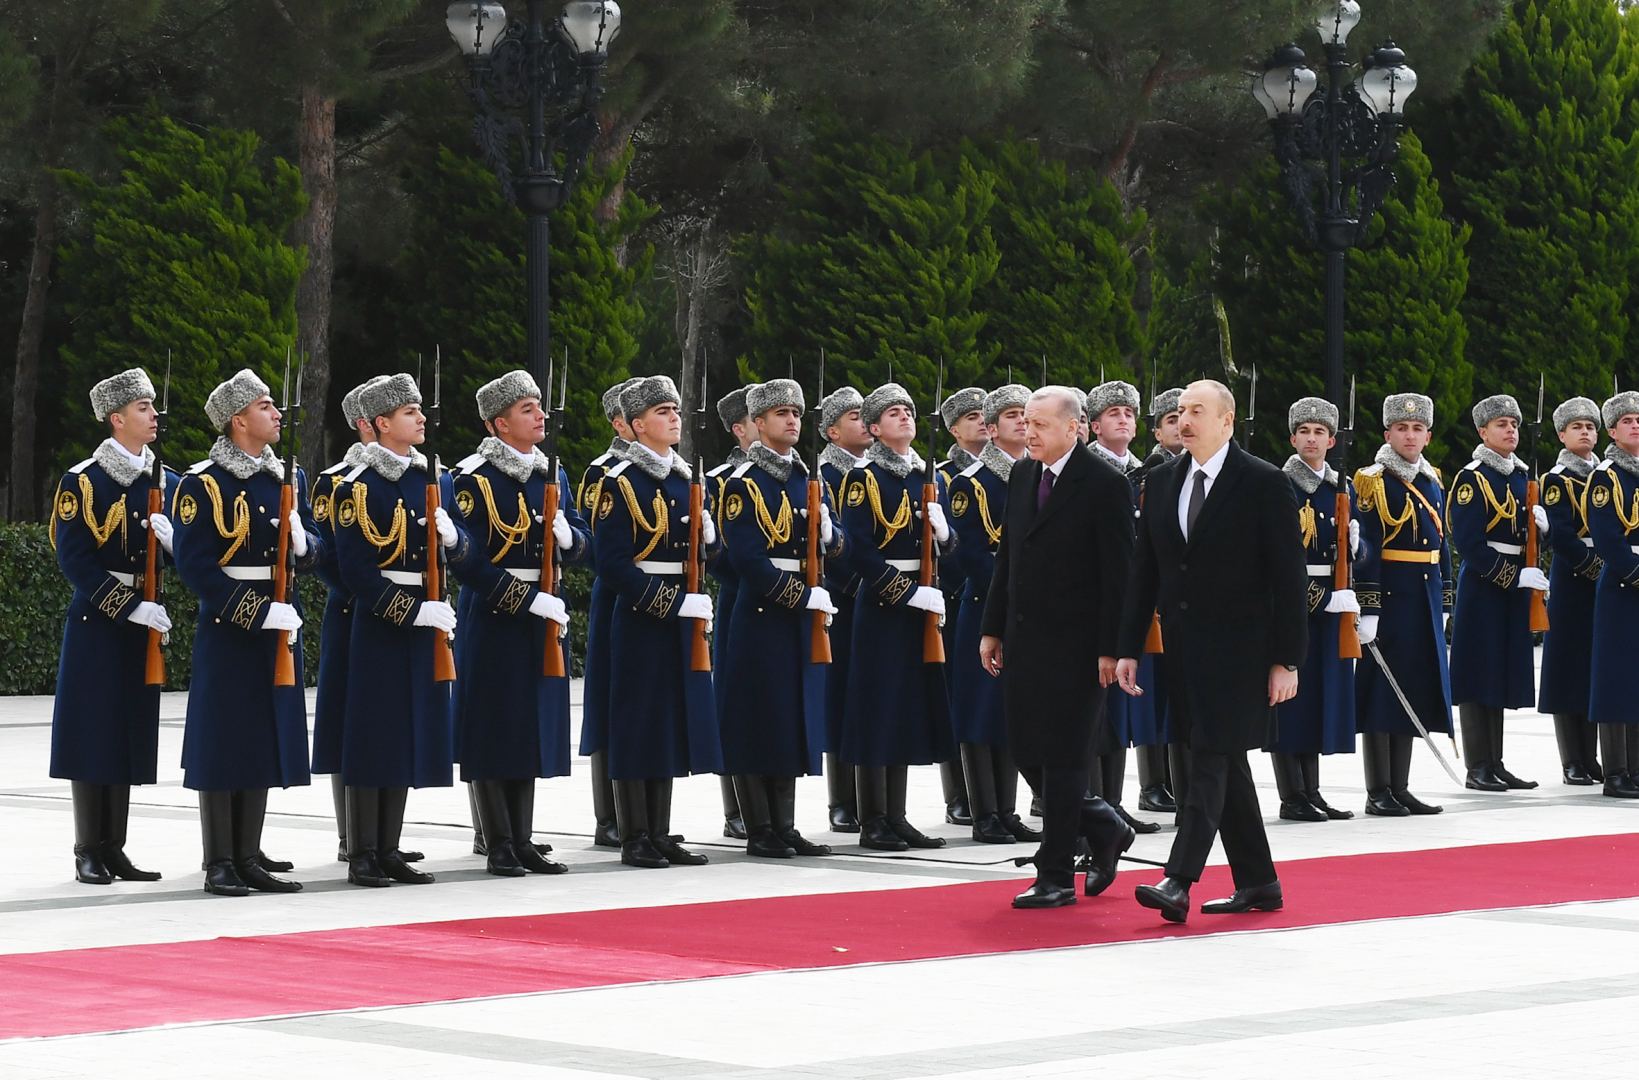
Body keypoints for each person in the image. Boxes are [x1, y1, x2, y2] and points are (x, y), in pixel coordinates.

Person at [1117, 380, 1307, 924]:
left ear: (1227, 421)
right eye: (1180, 412)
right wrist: (1129, 645)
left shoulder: (1263, 482)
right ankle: (1259, 882)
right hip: (1184, 651)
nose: (1185, 420)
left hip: (1244, 653)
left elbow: (1287, 579)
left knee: (1206, 761)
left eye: (1198, 411)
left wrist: (1287, 659)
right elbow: (1146, 572)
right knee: (1224, 763)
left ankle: (1179, 879)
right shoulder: (1162, 479)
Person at [979, 386, 1135, 908]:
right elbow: (1009, 558)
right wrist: (992, 627)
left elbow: (1119, 577)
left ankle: (1056, 876)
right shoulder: (1024, 474)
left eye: (1041, 424)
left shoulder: (1105, 483)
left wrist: (1113, 648)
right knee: (1026, 749)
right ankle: (1103, 823)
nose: (1030, 433)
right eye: (1026, 423)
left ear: (1075, 428)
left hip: (1080, 645)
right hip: (1026, 639)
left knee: (1066, 760)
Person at [171, 368, 317, 896]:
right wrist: (255, 612)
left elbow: (315, 547)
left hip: (279, 621)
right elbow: (196, 567)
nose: (277, 414)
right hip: (231, 627)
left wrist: (305, 545)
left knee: (263, 736)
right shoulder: (203, 483)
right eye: (265, 406)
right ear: (239, 420)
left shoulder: (288, 478)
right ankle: (219, 860)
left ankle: (250, 854)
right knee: (222, 739)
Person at [445, 370, 591, 875]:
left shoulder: (553, 473)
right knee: (492, 725)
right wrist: (522, 598)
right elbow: (467, 560)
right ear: (499, 423)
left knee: (528, 723)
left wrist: (569, 539)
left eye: (539, 407)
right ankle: (498, 840)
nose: (541, 416)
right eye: (528, 409)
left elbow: (581, 540)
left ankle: (523, 837)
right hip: (494, 612)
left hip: (543, 611)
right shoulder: (472, 478)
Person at [330, 373, 471, 887]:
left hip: (425, 618)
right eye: (409, 412)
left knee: (408, 731)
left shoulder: (434, 478)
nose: (421, 418)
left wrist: (456, 543)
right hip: (383, 623)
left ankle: (389, 847)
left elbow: (461, 548)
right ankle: (363, 850)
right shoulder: (356, 487)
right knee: (374, 735)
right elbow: (356, 572)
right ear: (382, 424)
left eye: (419, 410)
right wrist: (409, 610)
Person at [49, 368, 177, 885]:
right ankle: (87, 847)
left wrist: (174, 548)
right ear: (116, 418)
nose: (153, 416)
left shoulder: (161, 479)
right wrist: (128, 606)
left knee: (127, 730)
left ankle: (115, 846)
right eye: (143, 408)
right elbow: (75, 560)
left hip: (142, 617)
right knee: (92, 731)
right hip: (98, 621)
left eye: (152, 407)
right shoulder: (83, 480)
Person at [593, 375, 723, 868]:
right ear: (638, 424)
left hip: (679, 614)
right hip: (642, 616)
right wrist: (670, 604)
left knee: (668, 721)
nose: (674, 417)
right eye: (662, 411)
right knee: (637, 723)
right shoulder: (620, 481)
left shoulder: (686, 478)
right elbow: (613, 564)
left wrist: (710, 542)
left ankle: (661, 831)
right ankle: (634, 835)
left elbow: (697, 553)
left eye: (675, 409)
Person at [717, 378, 847, 858]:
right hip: (762, 613)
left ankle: (785, 824)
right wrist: (800, 596)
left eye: (796, 412)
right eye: (780, 414)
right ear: (758, 423)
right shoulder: (742, 483)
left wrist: (832, 539)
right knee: (759, 718)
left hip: (801, 611)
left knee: (793, 715)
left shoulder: (805, 478)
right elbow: (748, 559)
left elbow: (837, 545)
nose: (792, 420)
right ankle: (760, 827)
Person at [838, 383, 957, 851]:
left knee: (905, 709)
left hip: (922, 600)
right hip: (885, 606)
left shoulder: (929, 478)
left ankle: (897, 815)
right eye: (893, 411)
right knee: (878, 711)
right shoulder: (862, 478)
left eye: (908, 409)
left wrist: (945, 537)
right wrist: (908, 593)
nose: (905, 416)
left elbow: (952, 550)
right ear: (872, 428)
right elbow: (859, 553)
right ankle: (873, 819)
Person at [948, 384, 1040, 845]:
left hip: (1026, 611)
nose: (1022, 422)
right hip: (986, 606)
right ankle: (984, 810)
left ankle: (1008, 809)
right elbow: (971, 555)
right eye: (1010, 415)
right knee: (980, 711)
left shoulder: (1037, 475)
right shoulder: (971, 483)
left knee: (1011, 713)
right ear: (990, 427)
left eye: (1026, 414)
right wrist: (1013, 596)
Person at [1352, 393, 1452, 816]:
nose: (1409, 436)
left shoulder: (1432, 480)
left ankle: (1401, 785)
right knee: (1382, 693)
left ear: (1428, 436)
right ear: (1387, 433)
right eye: (1401, 428)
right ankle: (1379, 790)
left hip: (1422, 597)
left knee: (1410, 687)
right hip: (1391, 598)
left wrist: (1446, 597)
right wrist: (1369, 606)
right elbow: (1369, 546)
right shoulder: (1373, 480)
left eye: (1417, 429)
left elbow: (1442, 545)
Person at [1446, 394, 1547, 792]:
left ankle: (1496, 762)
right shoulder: (1473, 477)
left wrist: (1546, 530)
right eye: (1501, 425)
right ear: (1482, 431)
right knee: (1479, 672)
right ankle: (1478, 766)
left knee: (1502, 672)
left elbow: (1528, 538)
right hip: (1486, 585)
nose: (1510, 431)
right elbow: (1469, 542)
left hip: (1514, 584)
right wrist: (1512, 576)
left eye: (1514, 425)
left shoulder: (1521, 477)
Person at [1268, 397, 1359, 822]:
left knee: (1318, 694)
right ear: (1292, 438)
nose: (1311, 438)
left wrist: (1359, 545)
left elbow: (1354, 551)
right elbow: (1276, 558)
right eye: (1303, 431)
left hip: (1331, 598)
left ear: (1332, 440)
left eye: (1319, 432)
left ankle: (1312, 790)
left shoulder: (1340, 486)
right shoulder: (1279, 484)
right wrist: (1319, 598)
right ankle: (1292, 795)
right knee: (1291, 700)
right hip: (1294, 601)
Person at [1085, 380, 1161, 835]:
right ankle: (1094, 801)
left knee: (1122, 708)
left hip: (1134, 596)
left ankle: (1113, 801)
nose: (1124, 419)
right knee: (1096, 708)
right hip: (1099, 599)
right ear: (1094, 425)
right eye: (1114, 413)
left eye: (1130, 413)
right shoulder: (1090, 471)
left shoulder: (1147, 472)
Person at [576, 376, 644, 849]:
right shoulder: (604, 472)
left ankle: (639, 811)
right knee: (606, 697)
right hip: (617, 593)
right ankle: (609, 814)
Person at [1536, 396, 1605, 786]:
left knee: (1595, 667)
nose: (1585, 432)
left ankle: (1591, 756)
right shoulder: (1557, 480)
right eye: (1577, 427)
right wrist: (1595, 566)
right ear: (1562, 435)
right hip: (1574, 577)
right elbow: (1560, 532)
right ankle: (1572, 760)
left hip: (1606, 577)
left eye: (1591, 426)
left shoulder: (1605, 475)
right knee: (1568, 666)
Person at [706, 385, 756, 841]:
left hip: (778, 598)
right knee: (734, 700)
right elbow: (716, 553)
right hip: (740, 594)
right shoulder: (722, 480)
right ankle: (735, 807)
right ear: (741, 428)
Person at [818, 385, 868, 831]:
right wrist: (851, 585)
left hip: (870, 594)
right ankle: (841, 798)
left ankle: (869, 796)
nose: (863, 422)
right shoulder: (825, 475)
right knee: (839, 696)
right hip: (840, 596)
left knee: (866, 696)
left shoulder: (872, 471)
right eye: (854, 416)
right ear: (832, 431)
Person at [1585, 391, 1639, 797]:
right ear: (1612, 430)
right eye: (1627, 421)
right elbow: (1605, 535)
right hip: (1624, 583)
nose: (1635, 425)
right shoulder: (1605, 475)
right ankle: (1617, 771)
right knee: (1616, 677)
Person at [937, 386, 986, 826]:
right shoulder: (945, 475)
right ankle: (957, 792)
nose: (980, 422)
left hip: (977, 593)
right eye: (971, 417)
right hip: (954, 595)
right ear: (954, 428)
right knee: (957, 696)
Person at [1138, 386, 1185, 814]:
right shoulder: (1151, 474)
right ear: (1156, 431)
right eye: (1170, 420)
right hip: (1155, 600)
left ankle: (1172, 777)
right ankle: (1153, 780)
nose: (1179, 426)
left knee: (1175, 691)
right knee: (1153, 693)